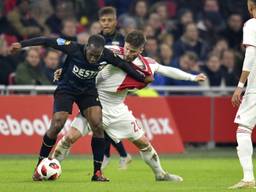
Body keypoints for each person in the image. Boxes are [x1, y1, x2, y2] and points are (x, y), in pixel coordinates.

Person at [52, 30, 206, 181]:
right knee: (68, 139)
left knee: (143, 143)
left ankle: (161, 174)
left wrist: (192, 77)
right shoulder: (110, 51)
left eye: (132, 51)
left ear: (141, 50)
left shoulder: (146, 64)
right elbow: (82, 54)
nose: (127, 53)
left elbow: (166, 70)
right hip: (94, 104)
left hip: (117, 109)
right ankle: (50, 167)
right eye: (126, 48)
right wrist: (64, 71)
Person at [10, 34, 152, 182]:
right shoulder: (72, 48)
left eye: (97, 56)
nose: (93, 59)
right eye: (91, 55)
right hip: (67, 89)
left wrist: (142, 78)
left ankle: (97, 173)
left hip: (88, 92)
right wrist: (21, 44)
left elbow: (125, 66)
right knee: (58, 123)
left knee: (97, 125)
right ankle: (40, 166)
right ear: (86, 48)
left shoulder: (107, 55)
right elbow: (47, 40)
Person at [98, 6, 131, 169]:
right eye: (103, 20)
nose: (106, 23)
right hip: (99, 86)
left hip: (116, 87)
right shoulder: (96, 39)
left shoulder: (123, 39)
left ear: (115, 22)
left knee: (103, 123)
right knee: (102, 124)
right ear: (99, 22)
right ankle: (120, 155)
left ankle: (111, 155)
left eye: (109, 20)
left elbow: (129, 61)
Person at [230, 0, 256, 189]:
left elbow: (250, 55)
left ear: (250, 7)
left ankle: (248, 178)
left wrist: (240, 85)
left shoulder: (252, 24)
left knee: (243, 129)